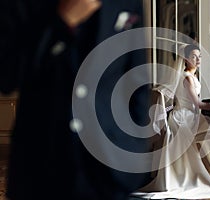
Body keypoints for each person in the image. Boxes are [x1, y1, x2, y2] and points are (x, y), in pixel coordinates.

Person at [0, 0, 152, 199]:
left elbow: (136, 78)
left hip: (110, 170)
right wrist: (62, 22)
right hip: (41, 165)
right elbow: (7, 76)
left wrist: (134, 152)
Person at [132, 44, 210, 199]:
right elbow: (199, 104)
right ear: (186, 59)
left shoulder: (188, 75)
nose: (198, 59)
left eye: (199, 56)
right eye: (194, 56)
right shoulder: (187, 77)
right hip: (184, 118)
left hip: (188, 115)